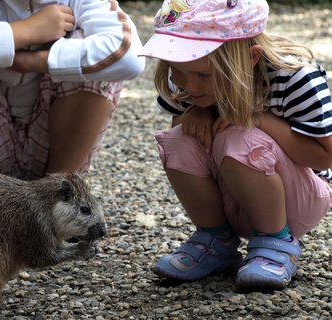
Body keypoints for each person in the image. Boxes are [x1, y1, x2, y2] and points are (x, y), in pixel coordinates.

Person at [139, 0, 332, 290]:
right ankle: (216, 240)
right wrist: (196, 114)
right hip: (232, 195)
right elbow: (186, 147)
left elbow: (323, 158)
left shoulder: (294, 77)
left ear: (251, 58)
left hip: (297, 201)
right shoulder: (188, 77)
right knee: (179, 139)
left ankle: (276, 242)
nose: (188, 85)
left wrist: (259, 120)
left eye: (204, 75)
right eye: (176, 69)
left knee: (239, 136)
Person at [0, 0, 145, 180]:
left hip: (56, 155)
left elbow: (129, 57)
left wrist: (35, 61)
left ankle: (60, 199)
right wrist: (27, 30)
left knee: (100, 60)